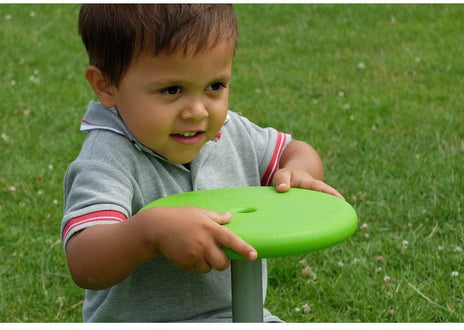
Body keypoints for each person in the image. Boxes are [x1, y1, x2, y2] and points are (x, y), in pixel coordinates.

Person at [61, 4, 344, 322]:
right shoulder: (108, 159)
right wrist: (151, 231)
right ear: (106, 85)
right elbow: (85, 261)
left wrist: (299, 171)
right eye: (172, 90)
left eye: (215, 87)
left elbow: (295, 150)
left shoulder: (229, 131)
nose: (197, 111)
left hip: (241, 314)